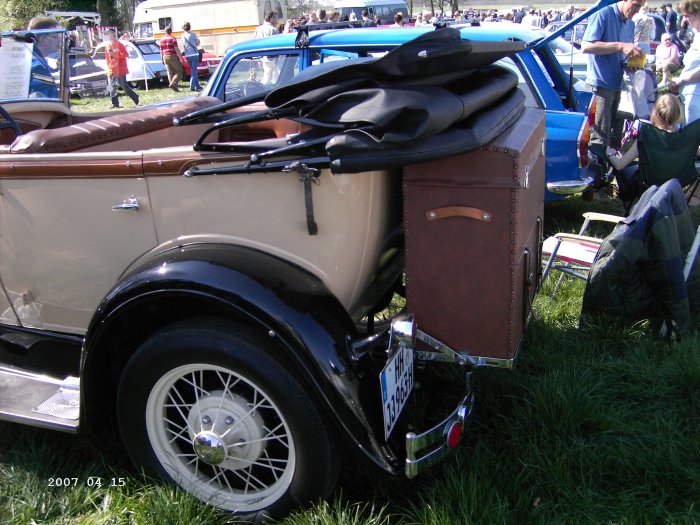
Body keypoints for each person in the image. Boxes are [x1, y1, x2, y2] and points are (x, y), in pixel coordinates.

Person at [581, 0, 644, 150]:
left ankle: (612, 169)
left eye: (640, 7)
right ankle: (596, 171)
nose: (636, 10)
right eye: (634, 5)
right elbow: (586, 46)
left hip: (617, 84)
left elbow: (621, 55)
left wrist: (631, 64)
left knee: (615, 135)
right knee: (599, 136)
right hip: (600, 85)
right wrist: (620, 46)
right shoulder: (603, 13)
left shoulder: (630, 24)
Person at [671, 0, 700, 123]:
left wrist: (682, 79)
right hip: (689, 96)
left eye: (687, 15)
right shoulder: (697, 34)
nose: (684, 19)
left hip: (696, 99)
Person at [27, 15, 61, 98]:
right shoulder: (38, 67)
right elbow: (42, 100)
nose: (59, 40)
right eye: (55, 37)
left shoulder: (34, 58)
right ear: (42, 39)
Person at [104, 29, 139, 108]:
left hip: (120, 69)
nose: (108, 35)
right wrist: (108, 67)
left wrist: (116, 55)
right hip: (111, 69)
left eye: (109, 33)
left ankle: (135, 97)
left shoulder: (119, 44)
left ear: (113, 34)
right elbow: (107, 58)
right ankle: (115, 103)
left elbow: (125, 54)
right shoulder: (107, 45)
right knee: (112, 86)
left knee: (123, 85)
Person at [159, 26, 182, 92]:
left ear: (165, 31)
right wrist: (181, 57)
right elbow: (176, 49)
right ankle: (173, 84)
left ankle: (173, 87)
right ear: (171, 31)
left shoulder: (161, 39)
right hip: (172, 55)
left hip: (165, 56)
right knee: (179, 71)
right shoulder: (173, 38)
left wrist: (161, 58)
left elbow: (161, 50)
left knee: (169, 72)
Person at [181, 22, 202, 92]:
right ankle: (192, 86)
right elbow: (198, 43)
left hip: (187, 55)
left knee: (193, 70)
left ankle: (197, 85)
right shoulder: (193, 34)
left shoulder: (182, 36)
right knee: (194, 70)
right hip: (194, 54)